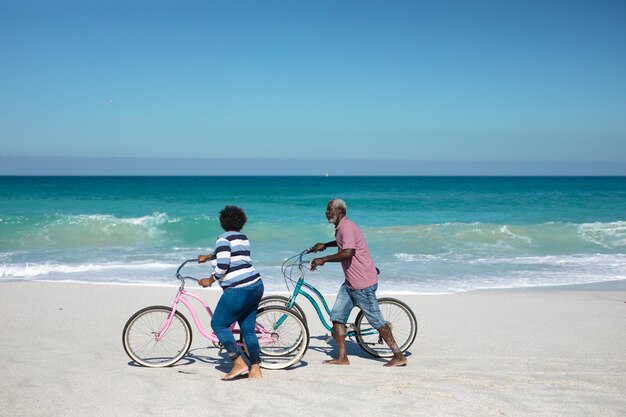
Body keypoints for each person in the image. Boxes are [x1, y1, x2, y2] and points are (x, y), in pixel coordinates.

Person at [309, 199, 407, 367]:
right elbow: (343, 243)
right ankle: (342, 358)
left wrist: (324, 259)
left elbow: (347, 252)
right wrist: (325, 245)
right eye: (326, 209)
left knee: (377, 321)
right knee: (337, 318)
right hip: (350, 283)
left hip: (362, 284)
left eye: (329, 209)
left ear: (339, 211)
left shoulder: (346, 227)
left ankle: (398, 355)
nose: (326, 212)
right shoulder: (341, 228)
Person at [197, 205, 264, 380]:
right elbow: (235, 256)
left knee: (218, 325)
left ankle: (238, 362)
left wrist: (209, 280)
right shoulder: (243, 238)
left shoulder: (222, 239)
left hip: (238, 289)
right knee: (248, 330)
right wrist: (209, 256)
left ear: (222, 221)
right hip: (255, 285)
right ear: (241, 222)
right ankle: (255, 369)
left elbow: (224, 265)